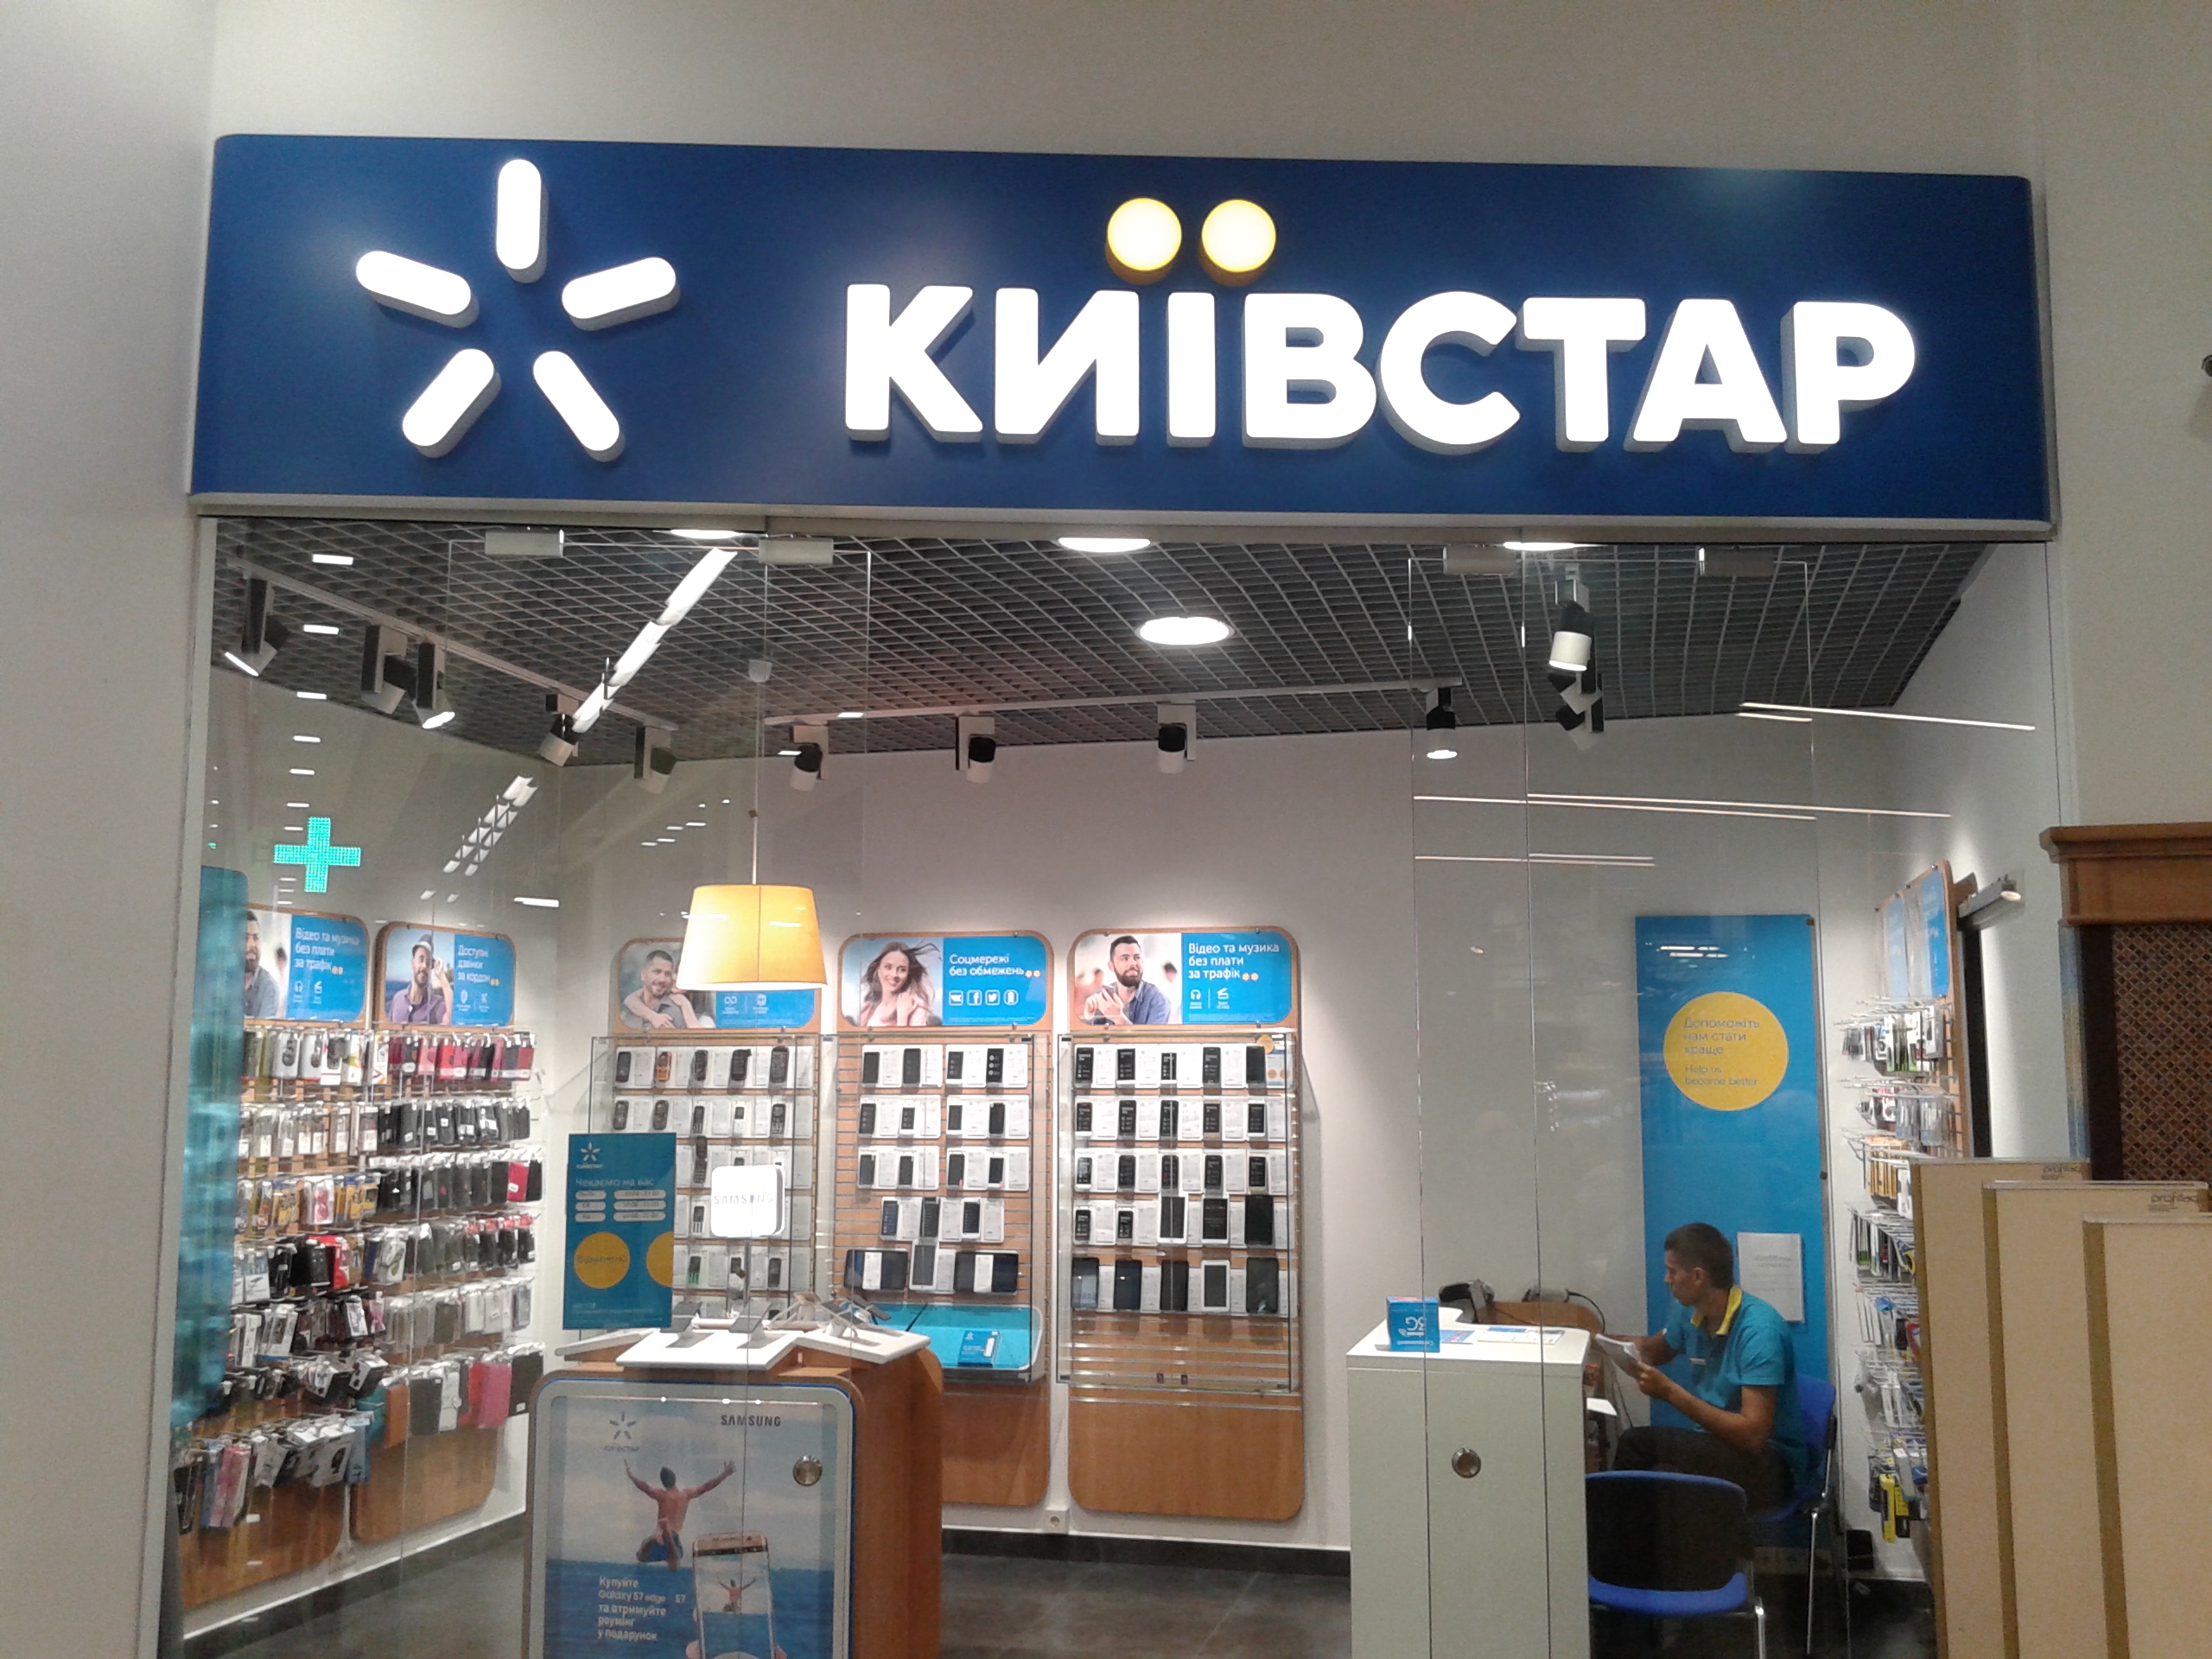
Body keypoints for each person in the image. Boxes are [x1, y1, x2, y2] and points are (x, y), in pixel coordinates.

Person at [1609, 1221, 1810, 1510]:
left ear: (1698, 1277)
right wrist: (1595, 1339)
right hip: (1716, 1446)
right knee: (1656, 1476)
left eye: (1672, 1271)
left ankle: (1616, 1537)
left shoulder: (1759, 1330)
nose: (1667, 1279)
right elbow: (1652, 1351)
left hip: (1770, 1463)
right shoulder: (1690, 1312)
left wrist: (1670, 1393)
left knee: (1637, 1445)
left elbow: (1753, 1436)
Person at [624, 1459, 734, 1570]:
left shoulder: (662, 1495)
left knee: (642, 1556)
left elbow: (645, 1487)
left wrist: (631, 1476)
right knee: (674, 1557)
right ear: (675, 1479)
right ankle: (660, 1545)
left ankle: (652, 1540)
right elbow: (707, 1486)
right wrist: (724, 1474)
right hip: (674, 1537)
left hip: (661, 1537)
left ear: (663, 1483)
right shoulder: (686, 1494)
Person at [1082, 935, 1170, 1025]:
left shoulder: (1158, 1000)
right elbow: (1091, 1032)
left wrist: (1119, 1018)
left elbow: (1153, 1035)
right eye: (1125, 958)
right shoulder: (1102, 997)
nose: (1133, 963)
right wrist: (1089, 1018)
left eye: (1137, 957)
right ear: (1111, 966)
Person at [625, 948, 711, 1029]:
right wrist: (653, 1016)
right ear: (644, 974)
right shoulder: (631, 1009)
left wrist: (684, 1003)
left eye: (667, 974)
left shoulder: (679, 1010)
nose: (662, 979)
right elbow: (630, 999)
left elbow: (694, 1031)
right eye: (657, 972)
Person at [857, 942, 938, 1027]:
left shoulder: (916, 1009)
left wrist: (902, 1017)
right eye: (888, 967)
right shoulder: (868, 1008)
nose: (894, 975)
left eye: (902, 970)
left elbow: (913, 1036)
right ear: (878, 971)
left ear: (908, 975)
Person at [386, 936, 451, 1025]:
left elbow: (450, 1018)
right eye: (421, 959)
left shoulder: (436, 1004)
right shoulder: (398, 999)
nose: (424, 966)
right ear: (412, 963)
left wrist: (441, 976)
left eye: (428, 962)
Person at [243, 912, 283, 1018]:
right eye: (245, 938)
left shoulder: (268, 987)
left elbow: (263, 1028)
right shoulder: (223, 981)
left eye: (256, 938)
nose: (252, 945)